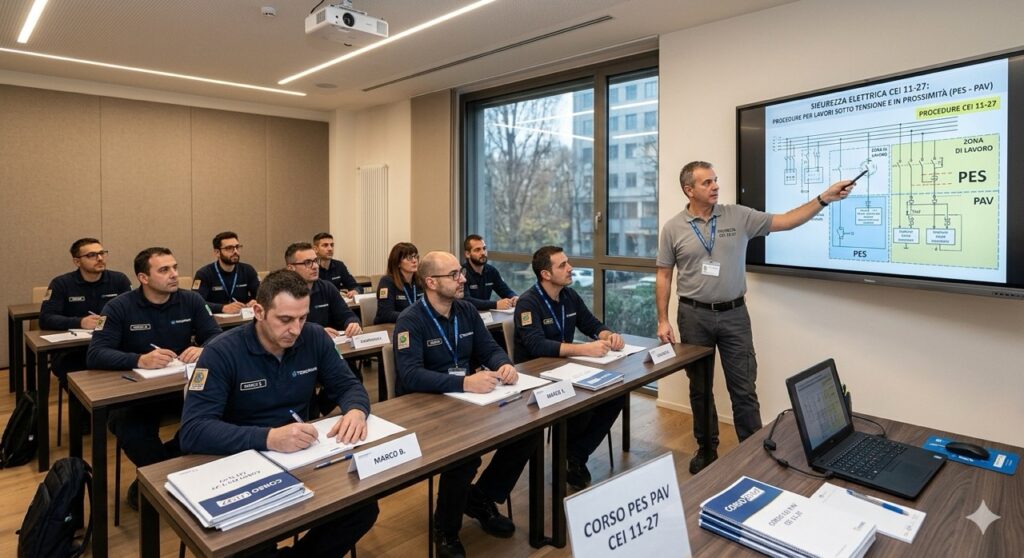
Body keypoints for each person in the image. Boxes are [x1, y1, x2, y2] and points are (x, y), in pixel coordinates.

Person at [655, 160, 854, 474]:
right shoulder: (673, 228)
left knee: (744, 388)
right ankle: (706, 450)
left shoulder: (738, 215)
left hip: (734, 314)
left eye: (716, 180)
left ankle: (752, 453)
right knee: (700, 389)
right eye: (707, 183)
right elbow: (664, 274)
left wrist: (823, 199)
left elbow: (787, 221)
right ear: (688, 189)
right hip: (693, 316)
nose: (715, 186)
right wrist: (663, 320)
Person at [179, 270, 377, 557]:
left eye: (302, 318)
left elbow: (348, 385)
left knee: (362, 508)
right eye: (285, 320)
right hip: (238, 459)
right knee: (252, 539)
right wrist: (269, 437)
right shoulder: (221, 352)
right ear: (258, 311)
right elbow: (194, 431)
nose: (295, 330)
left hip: (301, 454)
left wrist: (357, 410)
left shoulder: (313, 337)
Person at [394, 251, 537, 558]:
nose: (462, 280)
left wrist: (504, 365)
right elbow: (409, 376)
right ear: (431, 282)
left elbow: (489, 348)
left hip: (467, 401)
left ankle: (481, 497)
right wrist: (463, 382)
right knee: (465, 455)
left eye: (460, 273)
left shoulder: (466, 311)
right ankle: (445, 528)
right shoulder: (410, 320)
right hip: (426, 407)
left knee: (528, 432)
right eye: (454, 275)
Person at [87, 247, 222, 509]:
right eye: (164, 270)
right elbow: (96, 354)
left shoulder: (191, 300)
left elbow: (216, 334)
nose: (174, 275)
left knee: (217, 418)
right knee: (129, 428)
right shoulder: (118, 307)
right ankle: (163, 481)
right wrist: (139, 359)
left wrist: (205, 348)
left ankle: (154, 478)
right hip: (138, 394)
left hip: (182, 388)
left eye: (174, 267)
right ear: (143, 278)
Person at [513, 245, 626, 489]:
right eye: (562, 265)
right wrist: (584, 349)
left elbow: (591, 324)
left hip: (567, 370)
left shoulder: (568, 296)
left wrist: (608, 334)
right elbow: (536, 346)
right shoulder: (528, 303)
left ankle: (575, 454)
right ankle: (571, 456)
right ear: (545, 274)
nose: (570, 268)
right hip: (536, 377)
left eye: (568, 263)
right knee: (582, 403)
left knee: (616, 395)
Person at [39, 238, 132, 380]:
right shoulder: (61, 283)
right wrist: (80, 322)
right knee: (73, 371)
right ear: (77, 262)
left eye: (102, 253)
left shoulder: (119, 280)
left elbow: (133, 313)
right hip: (74, 350)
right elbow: (46, 318)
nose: (100, 258)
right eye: (92, 255)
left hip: (112, 344)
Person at [285, 242, 362, 339]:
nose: (315, 266)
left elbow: (347, 315)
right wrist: (317, 333)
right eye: (308, 263)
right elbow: (284, 329)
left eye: (316, 260)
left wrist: (353, 324)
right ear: (291, 268)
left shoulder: (327, 287)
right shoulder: (282, 294)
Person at [192, 231, 260, 313]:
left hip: (243, 320)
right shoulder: (204, 274)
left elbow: (263, 295)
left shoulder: (248, 270)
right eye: (229, 248)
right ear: (217, 252)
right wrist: (222, 308)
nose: (235, 251)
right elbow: (196, 303)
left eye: (237, 247)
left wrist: (254, 302)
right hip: (216, 322)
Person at [461, 234, 517, 311]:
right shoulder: (461, 273)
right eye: (477, 250)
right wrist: (495, 304)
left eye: (484, 248)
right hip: (468, 315)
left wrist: (514, 297)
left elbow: (505, 290)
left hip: (487, 316)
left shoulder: (491, 271)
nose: (483, 253)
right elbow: (466, 300)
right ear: (467, 254)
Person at [374, 242, 421, 324]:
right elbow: (386, 314)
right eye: (409, 258)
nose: (414, 261)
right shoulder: (387, 281)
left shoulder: (420, 281)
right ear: (398, 263)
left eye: (415, 257)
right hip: (390, 327)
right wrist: (414, 317)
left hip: (414, 325)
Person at [313, 232, 360, 297]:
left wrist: (355, 291)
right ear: (315, 249)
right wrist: (335, 294)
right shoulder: (311, 267)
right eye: (325, 245)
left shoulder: (339, 265)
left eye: (332, 245)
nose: (330, 249)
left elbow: (355, 286)